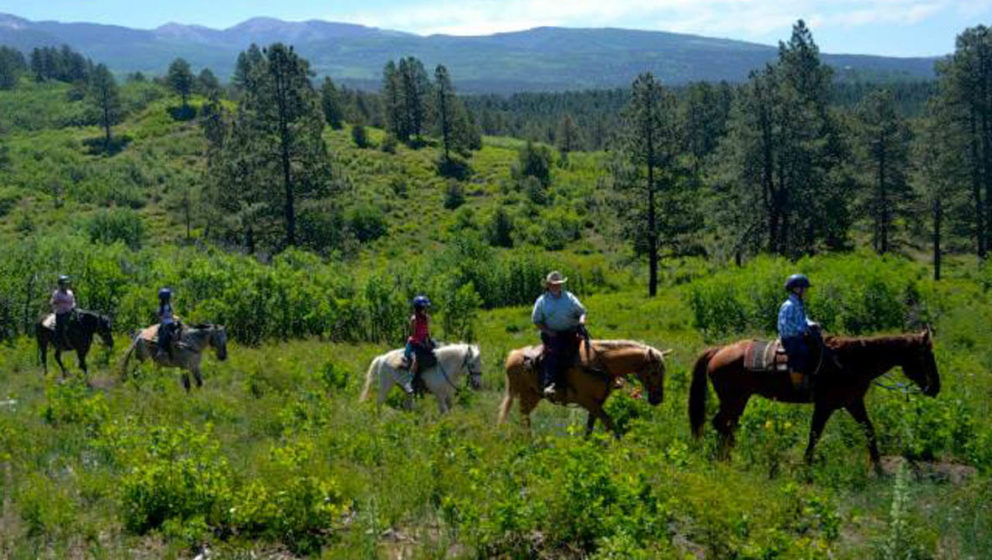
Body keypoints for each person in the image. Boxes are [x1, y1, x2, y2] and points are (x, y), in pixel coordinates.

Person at [532, 270, 586, 399]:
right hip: (553, 334)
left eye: (559, 284)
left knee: (591, 347)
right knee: (554, 354)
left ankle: (607, 378)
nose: (556, 286)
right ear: (548, 285)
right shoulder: (542, 301)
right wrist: (548, 331)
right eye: (553, 284)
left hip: (572, 330)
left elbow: (582, 311)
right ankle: (550, 384)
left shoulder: (569, 297)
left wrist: (582, 321)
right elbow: (536, 320)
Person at [777, 273, 822, 391]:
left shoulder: (798, 303)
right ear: (797, 289)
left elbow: (802, 319)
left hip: (798, 335)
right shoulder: (788, 305)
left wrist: (812, 324)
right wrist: (804, 330)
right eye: (805, 289)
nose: (806, 291)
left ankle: (812, 377)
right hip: (790, 338)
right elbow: (786, 325)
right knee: (801, 352)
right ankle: (797, 385)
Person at [400, 295, 433, 394]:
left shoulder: (427, 318)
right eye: (424, 308)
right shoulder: (414, 319)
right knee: (416, 360)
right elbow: (413, 334)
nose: (425, 310)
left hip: (423, 342)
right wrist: (421, 343)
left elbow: (428, 332)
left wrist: (429, 341)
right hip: (415, 343)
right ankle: (408, 382)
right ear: (419, 308)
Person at [50, 275, 77, 347]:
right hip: (61, 313)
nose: (66, 285)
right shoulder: (56, 293)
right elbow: (52, 302)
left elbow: (73, 301)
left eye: (67, 284)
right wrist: (58, 304)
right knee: (61, 327)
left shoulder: (70, 292)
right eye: (65, 284)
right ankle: (59, 341)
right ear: (61, 285)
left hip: (70, 312)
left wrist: (73, 306)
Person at [157, 288, 177, 361]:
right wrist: (163, 323)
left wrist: (176, 318)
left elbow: (172, 315)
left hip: (171, 321)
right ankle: (161, 349)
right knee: (165, 334)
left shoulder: (170, 305)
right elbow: (160, 316)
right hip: (165, 323)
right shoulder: (161, 307)